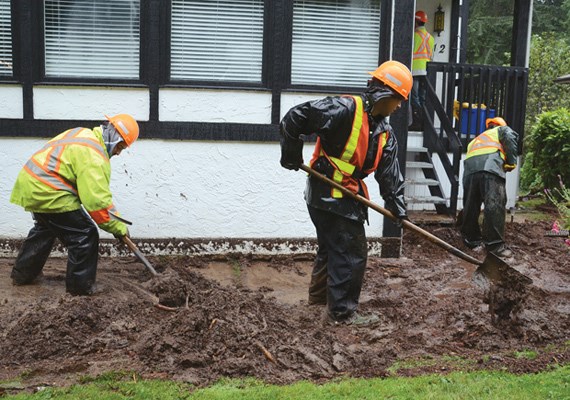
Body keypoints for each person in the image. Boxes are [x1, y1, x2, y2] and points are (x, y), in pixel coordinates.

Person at [279, 61, 411, 326]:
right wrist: (291, 155)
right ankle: (341, 313)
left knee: (331, 248)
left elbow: (389, 174)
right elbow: (294, 118)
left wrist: (398, 208)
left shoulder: (385, 133)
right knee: (351, 253)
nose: (398, 106)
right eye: (398, 100)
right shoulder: (344, 109)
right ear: (384, 94)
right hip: (328, 193)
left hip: (339, 197)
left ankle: (318, 301)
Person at [10, 114, 139, 295]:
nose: (118, 152)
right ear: (114, 136)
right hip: (49, 190)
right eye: (120, 146)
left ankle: (23, 274)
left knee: (45, 229)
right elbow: (96, 202)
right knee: (85, 235)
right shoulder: (94, 155)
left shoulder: (83, 134)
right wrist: (118, 228)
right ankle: (80, 288)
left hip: (33, 185)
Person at [460, 117, 518, 258]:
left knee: (470, 206)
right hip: (490, 168)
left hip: (469, 171)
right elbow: (510, 137)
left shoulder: (476, 140)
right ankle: (495, 247)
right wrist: (511, 162)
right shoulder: (502, 130)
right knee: (494, 205)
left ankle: (472, 241)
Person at [410, 10, 435, 130]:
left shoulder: (414, 36)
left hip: (415, 71)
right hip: (426, 71)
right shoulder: (431, 38)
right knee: (423, 98)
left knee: (414, 98)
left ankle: (418, 123)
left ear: (416, 22)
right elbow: (431, 56)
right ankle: (425, 124)